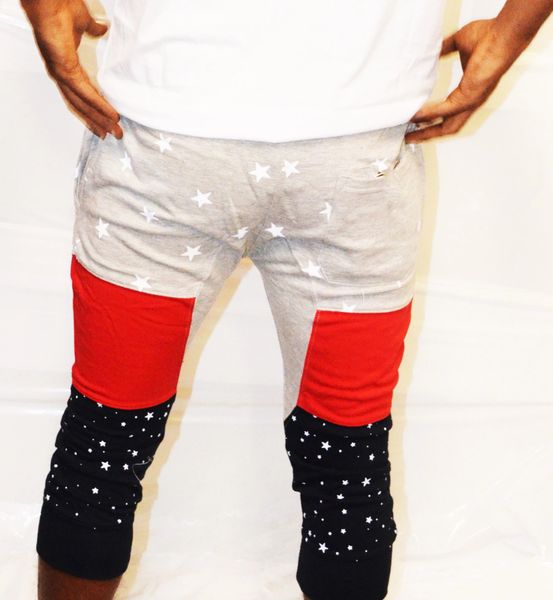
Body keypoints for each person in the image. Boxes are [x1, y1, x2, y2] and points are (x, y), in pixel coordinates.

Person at [19, 1, 553, 599]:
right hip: (355, 160)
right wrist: (508, 34)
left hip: (164, 139)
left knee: (105, 443)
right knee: (346, 464)